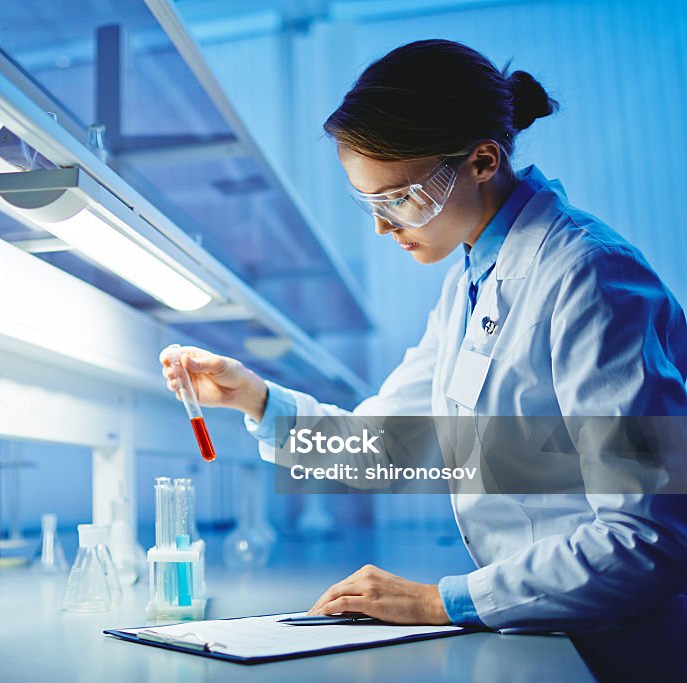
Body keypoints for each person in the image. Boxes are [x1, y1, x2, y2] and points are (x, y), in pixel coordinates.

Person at [159, 40, 687, 633]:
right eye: (370, 203)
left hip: (616, 644)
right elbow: (387, 449)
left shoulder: (590, 276)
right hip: (542, 632)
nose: (385, 225)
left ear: (483, 161)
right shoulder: (469, 285)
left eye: (403, 197)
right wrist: (254, 398)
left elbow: (646, 540)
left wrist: (441, 602)